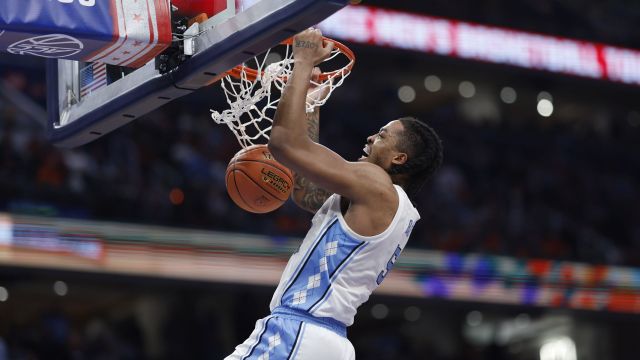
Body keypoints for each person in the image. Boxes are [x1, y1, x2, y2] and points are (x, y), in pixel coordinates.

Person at [225, 28, 443, 360]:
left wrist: (302, 61)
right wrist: (309, 102)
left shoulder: (375, 183)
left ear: (400, 158)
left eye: (382, 136)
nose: (371, 137)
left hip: (299, 332)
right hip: (323, 339)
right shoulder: (389, 205)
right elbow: (305, 192)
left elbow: (283, 143)